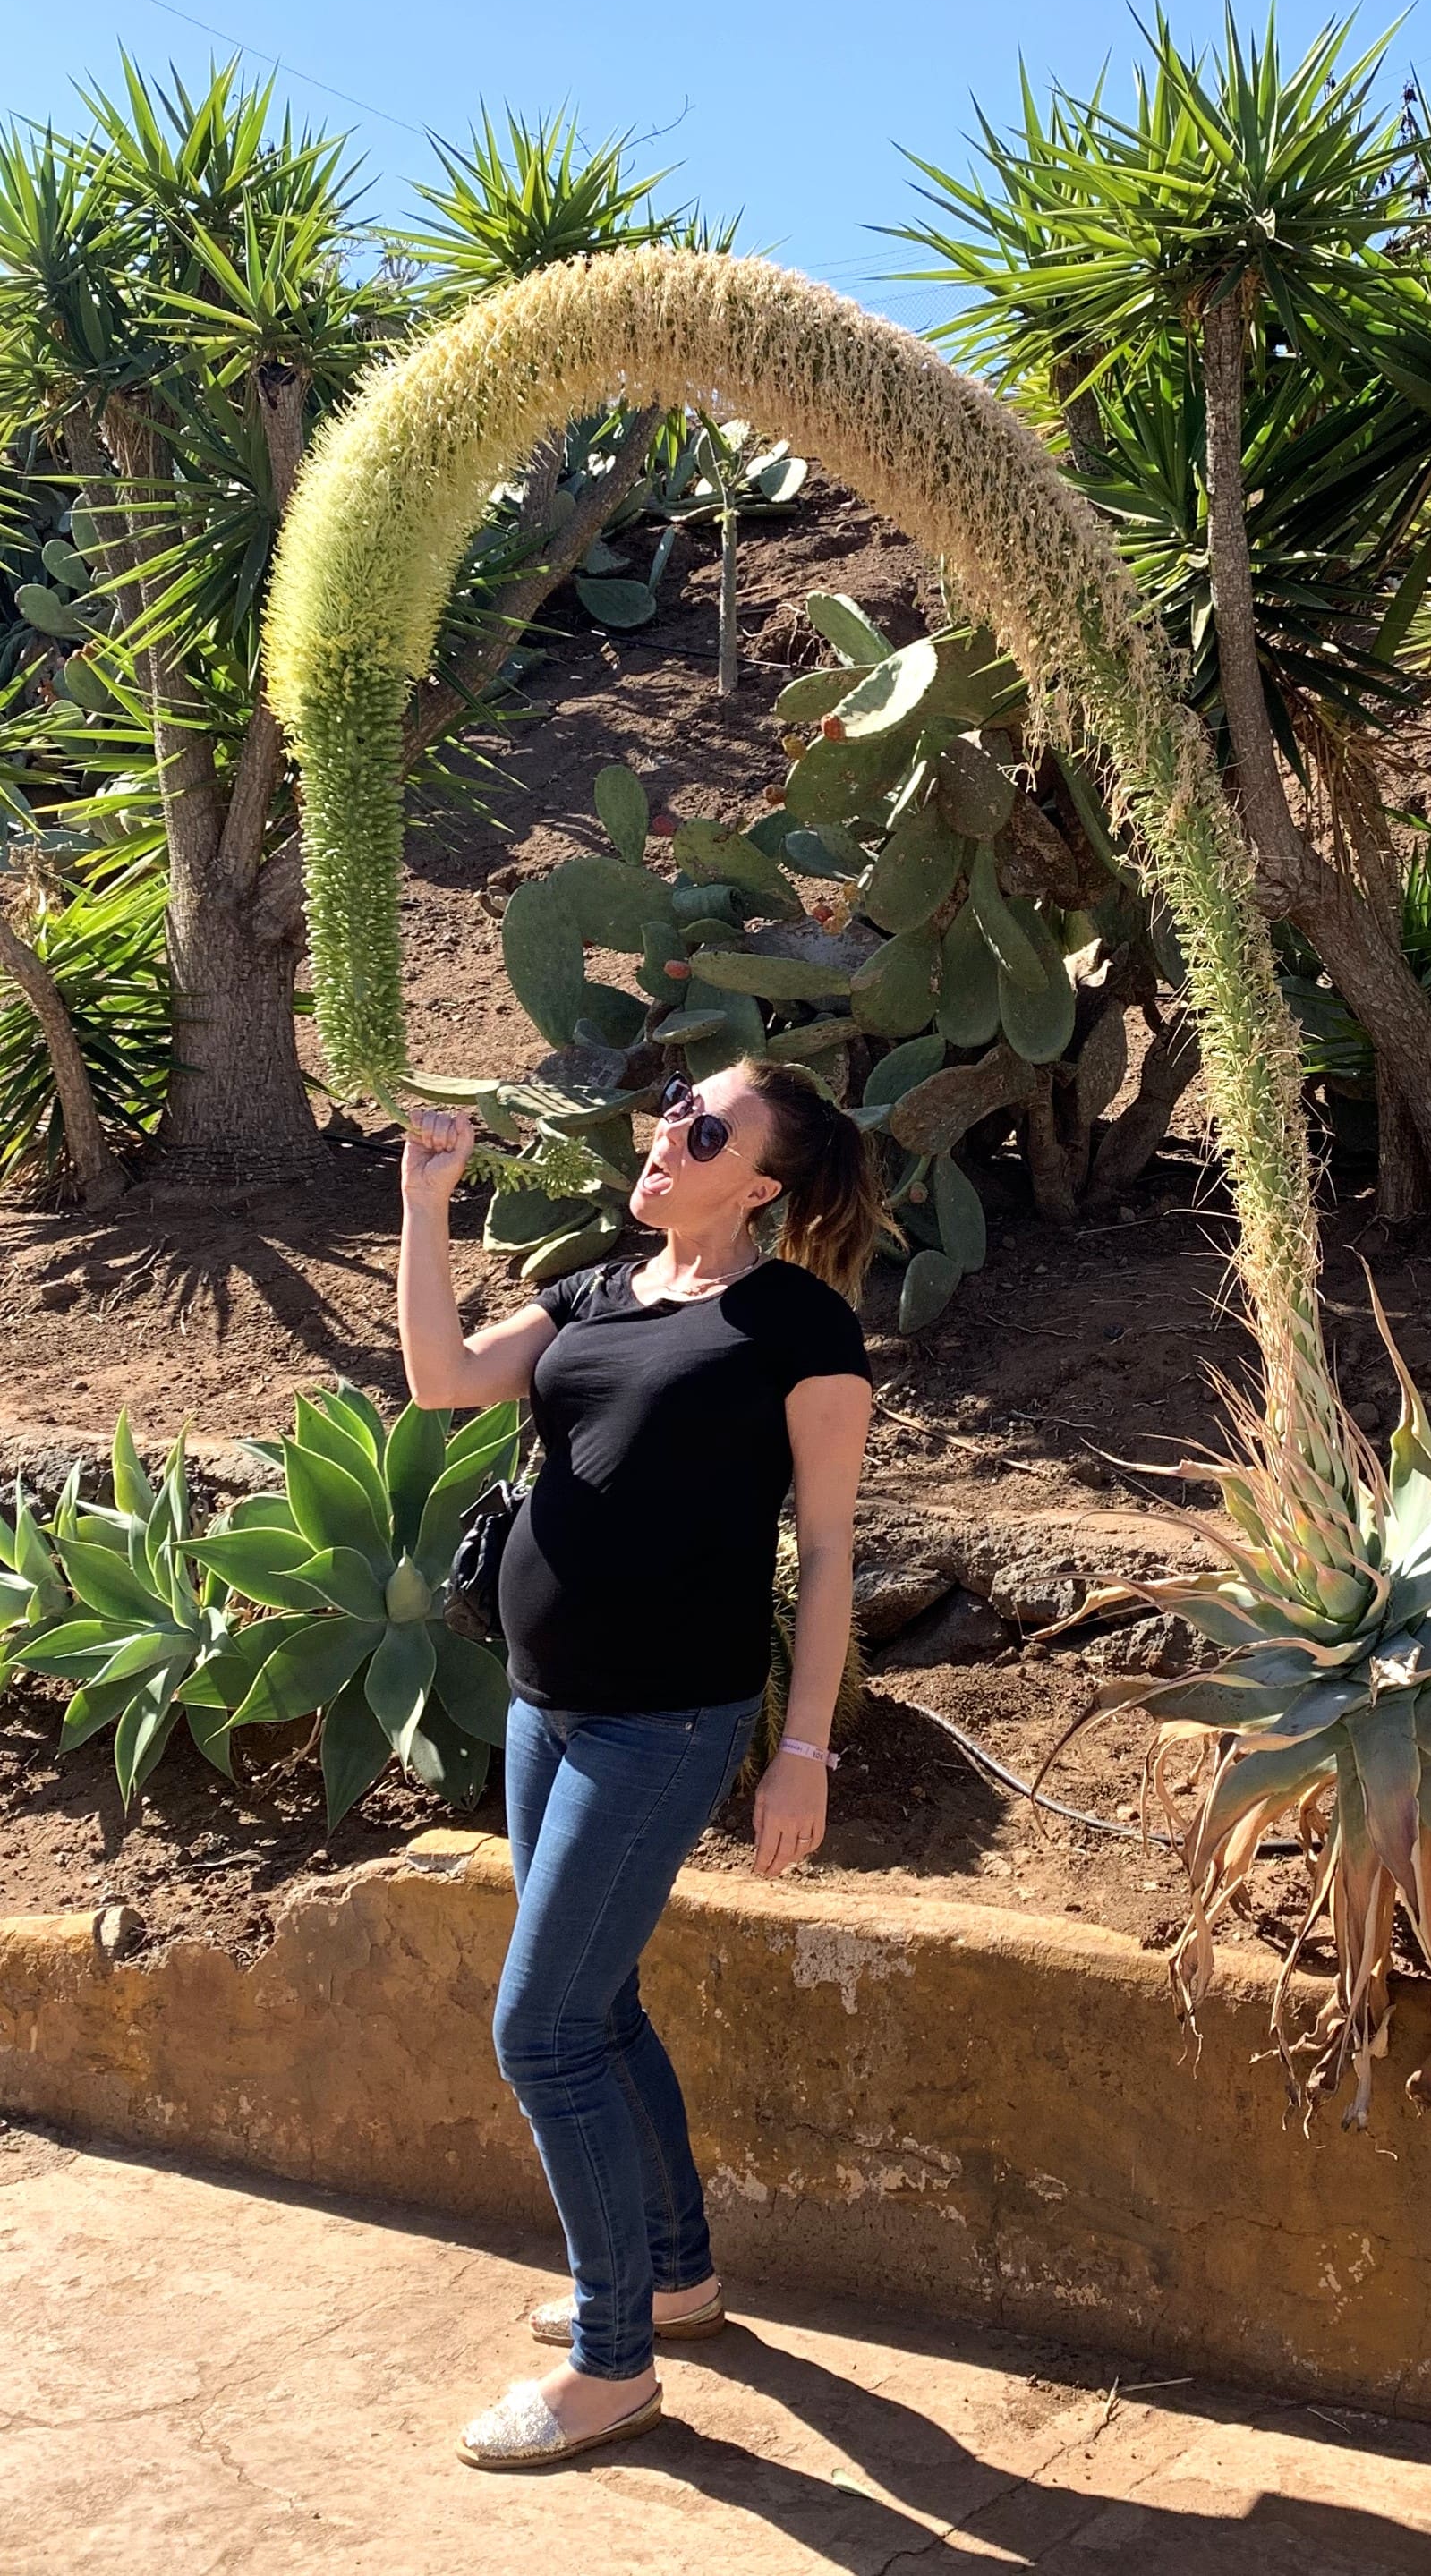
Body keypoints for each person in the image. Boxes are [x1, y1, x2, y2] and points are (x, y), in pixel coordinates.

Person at [394, 1056, 878, 2473]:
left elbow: (830, 1551)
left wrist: (802, 1748)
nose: (671, 1130)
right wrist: (425, 1202)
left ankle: (613, 2366)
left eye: (706, 1126)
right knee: (595, 2009)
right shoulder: (600, 1286)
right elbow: (441, 1381)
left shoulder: (798, 1326)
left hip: (663, 1724)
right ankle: (673, 2278)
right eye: (675, 1103)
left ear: (761, 1184)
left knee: (540, 2031)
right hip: (545, 1704)